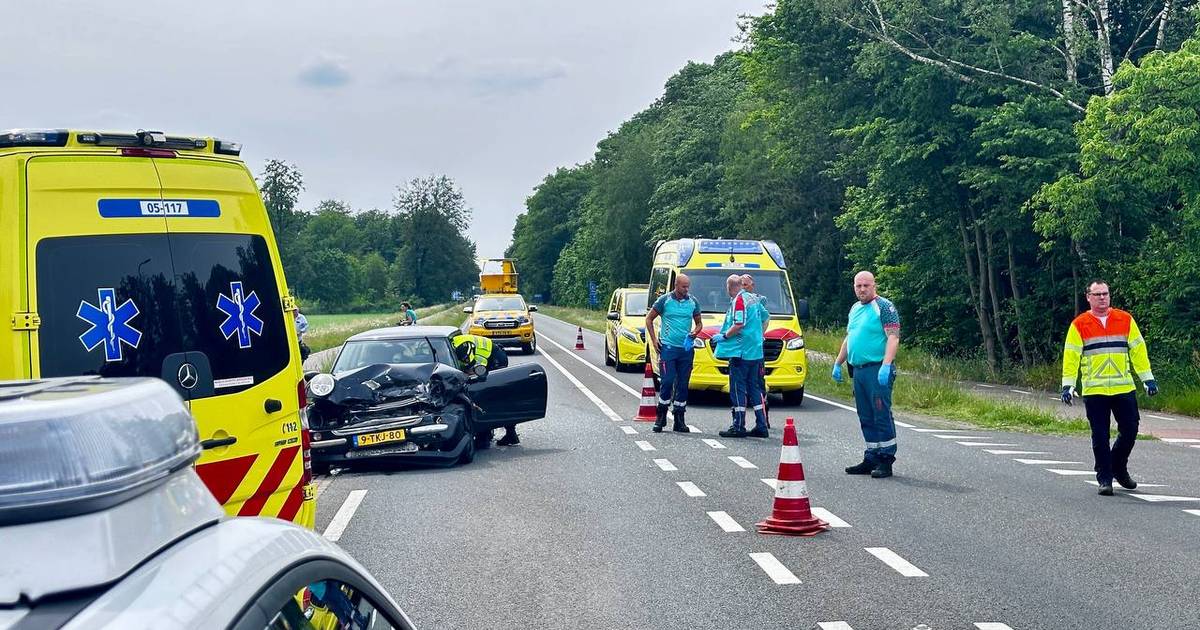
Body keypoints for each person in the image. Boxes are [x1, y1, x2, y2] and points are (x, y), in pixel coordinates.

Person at [1061, 280, 1157, 496]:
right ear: (1088, 297)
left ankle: (1118, 467)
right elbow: (1071, 356)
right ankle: (1105, 478)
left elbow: (1138, 351)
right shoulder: (1079, 324)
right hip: (1095, 389)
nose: (1102, 297)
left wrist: (1147, 379)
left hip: (1123, 387)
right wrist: (1068, 385)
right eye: (1097, 294)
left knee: (1130, 430)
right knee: (1100, 436)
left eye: (1105, 293)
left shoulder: (1125, 319)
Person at [832, 271, 901, 478]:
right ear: (854, 287)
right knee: (865, 415)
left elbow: (893, 337)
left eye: (866, 285)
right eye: (858, 286)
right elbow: (850, 337)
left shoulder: (884, 307)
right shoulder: (855, 308)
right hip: (859, 371)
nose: (862, 289)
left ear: (874, 285)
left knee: (880, 414)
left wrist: (886, 365)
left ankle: (886, 459)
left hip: (877, 368)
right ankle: (871, 456)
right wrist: (838, 362)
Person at [645, 274, 703, 433]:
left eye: (688, 286)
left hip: (686, 350)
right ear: (676, 285)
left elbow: (699, 323)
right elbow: (649, 319)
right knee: (667, 381)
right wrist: (654, 340)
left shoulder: (693, 302)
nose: (686, 289)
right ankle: (661, 415)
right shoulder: (664, 300)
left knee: (683, 384)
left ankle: (679, 418)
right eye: (684, 286)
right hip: (668, 348)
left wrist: (695, 332)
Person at [714, 274, 768, 438]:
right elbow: (766, 317)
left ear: (729, 287)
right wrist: (759, 335)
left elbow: (739, 324)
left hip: (741, 352)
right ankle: (762, 425)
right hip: (755, 352)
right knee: (755, 389)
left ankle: (738, 426)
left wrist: (724, 336)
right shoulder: (754, 299)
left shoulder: (739, 300)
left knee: (738, 389)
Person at [451, 333, 520, 446]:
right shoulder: (453, 346)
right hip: (486, 354)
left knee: (490, 395)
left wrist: (467, 373)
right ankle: (486, 434)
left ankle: (499, 435)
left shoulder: (478, 356)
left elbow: (479, 374)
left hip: (496, 357)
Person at [741, 274, 770, 424]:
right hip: (743, 350)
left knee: (758, 384)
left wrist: (760, 335)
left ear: (752, 286)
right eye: (741, 284)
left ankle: (764, 419)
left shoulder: (758, 300)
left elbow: (766, 318)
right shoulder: (737, 299)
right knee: (742, 385)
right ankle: (742, 420)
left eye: (746, 284)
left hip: (755, 351)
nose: (743, 287)